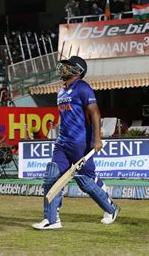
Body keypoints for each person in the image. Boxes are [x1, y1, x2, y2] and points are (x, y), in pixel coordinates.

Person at [32, 56, 119, 230]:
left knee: (84, 182)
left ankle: (111, 208)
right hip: (62, 143)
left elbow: (95, 113)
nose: (63, 68)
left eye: (68, 66)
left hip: (81, 143)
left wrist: (97, 138)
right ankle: (52, 219)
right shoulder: (61, 90)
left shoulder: (83, 88)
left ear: (77, 71)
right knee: (51, 176)